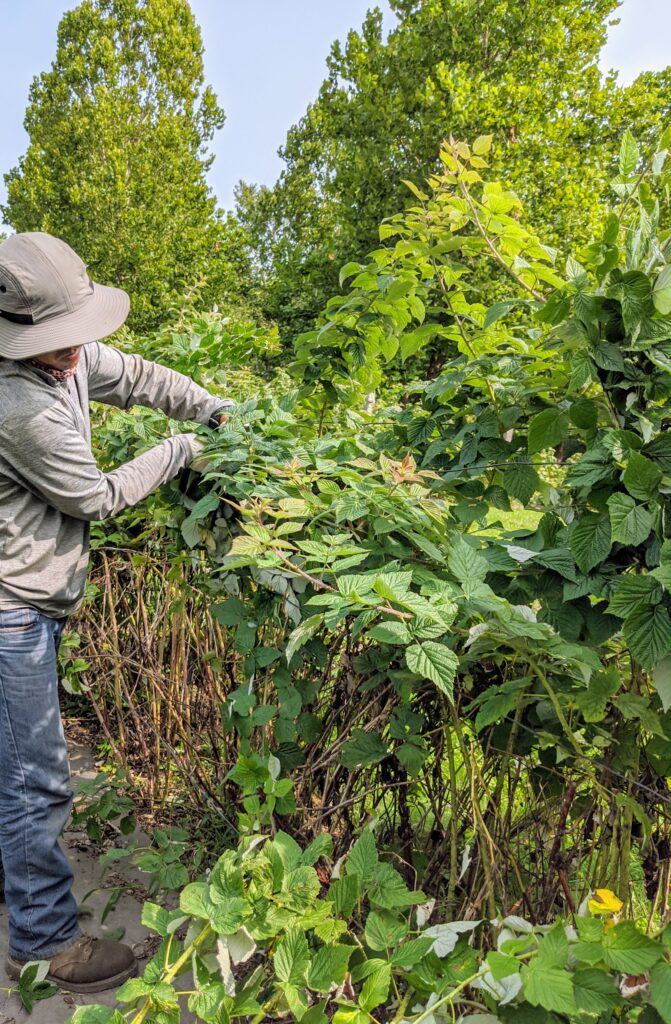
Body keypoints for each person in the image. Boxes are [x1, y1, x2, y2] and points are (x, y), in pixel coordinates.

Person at [0, 231, 231, 992]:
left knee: (12, 766)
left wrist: (213, 408)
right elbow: (94, 497)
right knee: (38, 778)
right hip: (12, 611)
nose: (74, 355)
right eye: (57, 345)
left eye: (75, 338)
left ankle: (17, 885)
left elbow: (129, 373)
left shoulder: (60, 359)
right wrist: (181, 450)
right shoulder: (17, 407)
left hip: (27, 599)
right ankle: (43, 943)